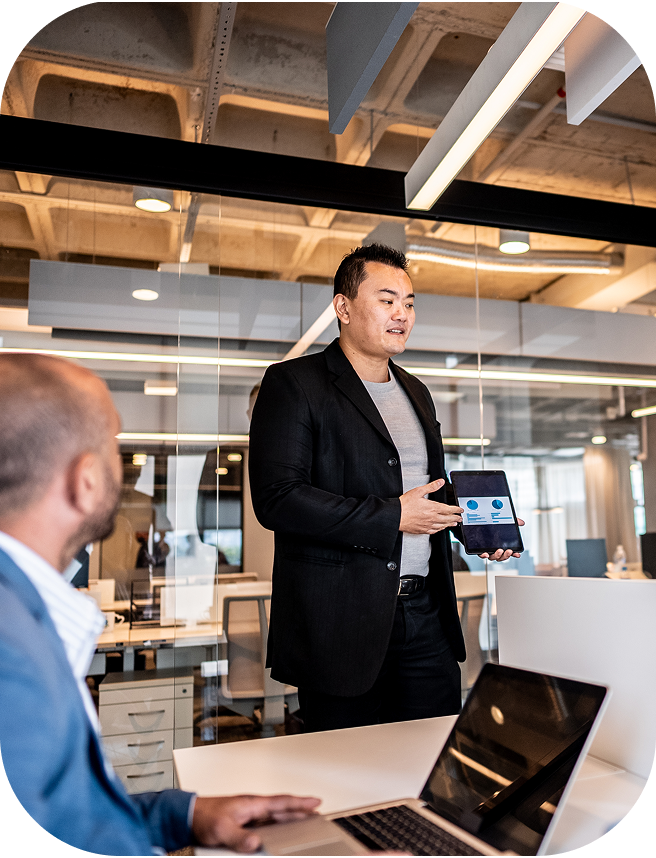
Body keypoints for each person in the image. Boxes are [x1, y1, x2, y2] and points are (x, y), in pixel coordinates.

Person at [0, 353, 320, 855]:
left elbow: (73, 817)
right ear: (86, 480)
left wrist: (184, 815)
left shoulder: (24, 617)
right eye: (114, 444)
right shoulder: (11, 657)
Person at [249, 243, 522, 733]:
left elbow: (423, 492)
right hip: (341, 624)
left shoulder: (416, 391)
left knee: (431, 759)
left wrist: (475, 523)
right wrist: (392, 517)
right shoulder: (295, 384)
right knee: (349, 767)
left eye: (410, 303)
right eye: (387, 300)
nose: (402, 314)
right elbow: (278, 498)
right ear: (343, 306)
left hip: (426, 616)